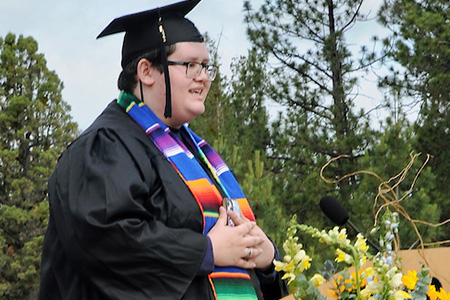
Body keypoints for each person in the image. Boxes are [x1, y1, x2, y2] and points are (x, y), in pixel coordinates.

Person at [39, 0, 288, 299]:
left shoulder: (196, 156)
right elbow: (107, 242)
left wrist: (266, 260)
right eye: (190, 65)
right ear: (146, 71)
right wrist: (207, 251)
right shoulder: (104, 147)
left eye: (206, 66)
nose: (203, 77)